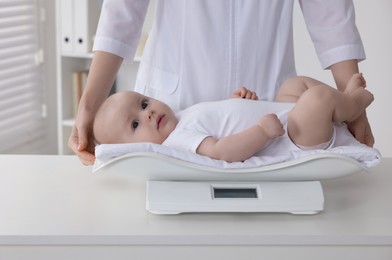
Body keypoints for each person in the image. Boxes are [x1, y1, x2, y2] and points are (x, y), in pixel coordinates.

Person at [70, 0, 374, 165]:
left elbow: (329, 11)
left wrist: (351, 99)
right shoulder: (151, 116)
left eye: (143, 108)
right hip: (174, 107)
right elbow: (122, 10)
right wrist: (88, 106)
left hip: (266, 104)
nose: (144, 112)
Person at [93, 73, 373, 162]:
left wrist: (237, 104)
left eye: (143, 103)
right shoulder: (178, 141)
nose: (148, 113)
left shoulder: (181, 116)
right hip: (294, 138)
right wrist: (261, 131)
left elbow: (220, 120)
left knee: (293, 85)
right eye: (135, 124)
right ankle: (352, 103)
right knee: (316, 100)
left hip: (281, 112)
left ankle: (343, 104)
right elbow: (220, 150)